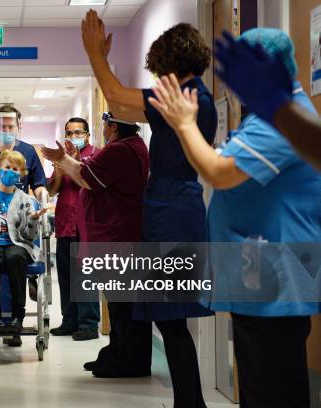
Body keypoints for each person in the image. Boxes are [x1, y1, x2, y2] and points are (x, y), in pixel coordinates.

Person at [148, 28, 321, 408]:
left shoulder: (278, 123)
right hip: (261, 276)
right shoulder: (273, 117)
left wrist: (183, 124)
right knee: (263, 382)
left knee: (270, 387)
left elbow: (218, 172)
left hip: (276, 277)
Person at [81, 10, 214, 406]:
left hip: (172, 212)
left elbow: (118, 98)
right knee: (169, 318)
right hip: (171, 207)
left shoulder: (183, 96)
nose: (155, 77)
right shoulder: (192, 96)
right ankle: (189, 401)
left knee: (171, 319)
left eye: (157, 69)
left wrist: (94, 55)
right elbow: (125, 106)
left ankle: (190, 403)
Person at [42, 112, 149, 373]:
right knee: (119, 303)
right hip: (117, 234)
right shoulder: (129, 147)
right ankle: (118, 352)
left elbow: (85, 179)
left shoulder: (120, 151)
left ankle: (128, 361)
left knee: (123, 303)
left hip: (118, 236)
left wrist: (62, 159)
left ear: (111, 127)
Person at [214, 30, 321, 170]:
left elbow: (219, 173)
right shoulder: (277, 111)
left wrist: (185, 124)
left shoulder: (273, 121)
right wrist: (279, 109)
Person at [0, 150, 47, 336]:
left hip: (18, 243)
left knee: (15, 257)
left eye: (15, 169)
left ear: (20, 174)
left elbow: (29, 236)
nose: (10, 171)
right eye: (7, 167)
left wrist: (34, 219)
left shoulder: (25, 199)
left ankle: (17, 318)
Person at [46, 117, 100, 341]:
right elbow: (51, 190)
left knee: (84, 276)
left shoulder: (96, 154)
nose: (73, 136)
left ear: (87, 134)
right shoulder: (62, 157)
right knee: (67, 276)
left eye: (78, 132)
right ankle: (69, 321)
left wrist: (73, 163)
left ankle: (88, 324)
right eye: (69, 133)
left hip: (86, 225)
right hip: (65, 223)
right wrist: (59, 169)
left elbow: (90, 183)